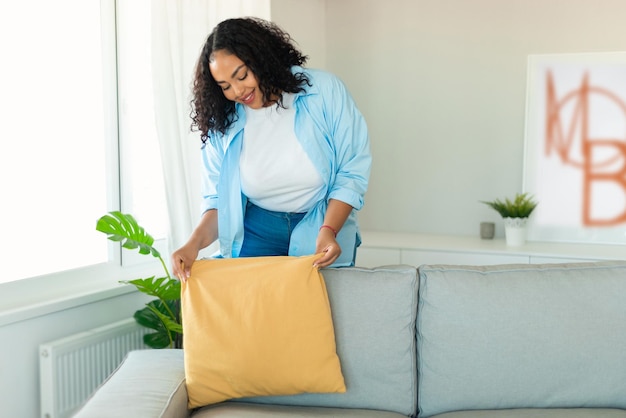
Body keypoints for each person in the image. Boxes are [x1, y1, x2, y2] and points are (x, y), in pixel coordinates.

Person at [171, 17, 371, 282]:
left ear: (262, 58)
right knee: (257, 319)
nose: (238, 91)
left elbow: (351, 172)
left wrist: (328, 230)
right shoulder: (223, 120)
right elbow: (218, 201)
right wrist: (193, 244)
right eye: (225, 86)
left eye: (241, 76)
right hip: (257, 231)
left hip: (323, 223)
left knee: (317, 319)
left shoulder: (324, 91)